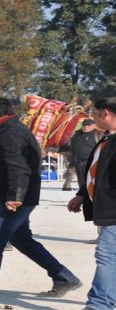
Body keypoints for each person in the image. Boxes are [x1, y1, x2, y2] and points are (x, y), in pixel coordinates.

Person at [0, 97, 81, 304]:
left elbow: (18, 167)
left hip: (10, 197)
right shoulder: (7, 130)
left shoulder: (11, 133)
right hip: (11, 194)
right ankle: (64, 277)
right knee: (21, 239)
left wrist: (15, 197)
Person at [67, 97, 116, 310]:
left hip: (114, 209)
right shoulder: (106, 138)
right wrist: (82, 194)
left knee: (106, 255)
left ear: (105, 113)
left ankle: (98, 305)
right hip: (107, 207)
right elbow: (97, 171)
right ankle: (106, 301)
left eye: (94, 114)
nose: (92, 119)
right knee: (110, 256)